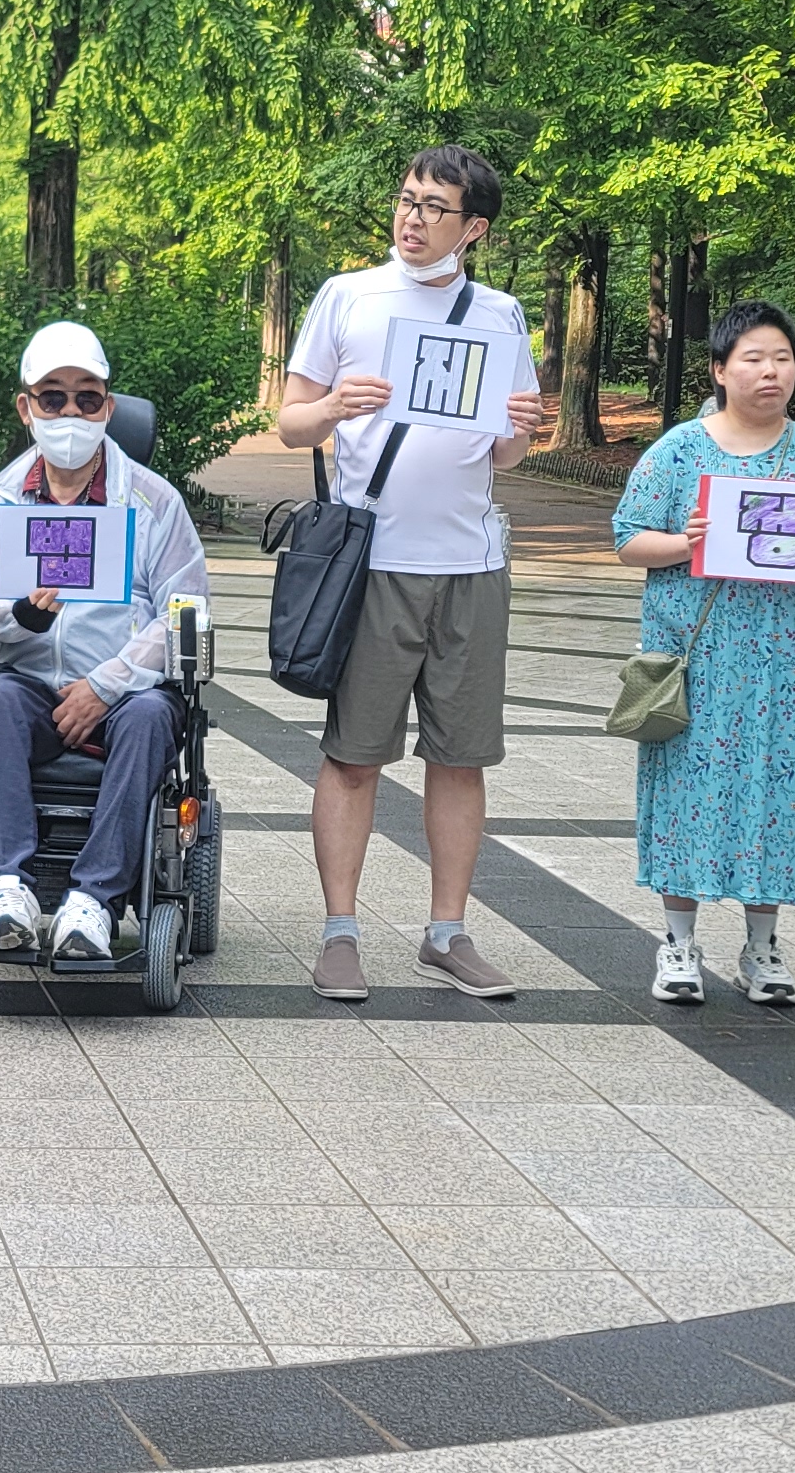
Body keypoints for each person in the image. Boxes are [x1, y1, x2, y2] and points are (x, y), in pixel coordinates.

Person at [272, 145, 549, 1002]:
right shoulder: (349, 295)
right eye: (406, 199)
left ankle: (447, 932)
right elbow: (290, 422)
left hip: (471, 564)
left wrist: (522, 426)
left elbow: (506, 451)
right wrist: (333, 406)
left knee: (460, 759)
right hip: (374, 564)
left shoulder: (500, 315)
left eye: (435, 207)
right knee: (354, 756)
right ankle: (340, 933)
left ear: (475, 228)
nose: (413, 218)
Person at [610, 300, 795, 1006]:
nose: (770, 372)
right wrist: (687, 542)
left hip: (789, 664)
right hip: (698, 661)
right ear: (720, 370)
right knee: (685, 790)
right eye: (753, 359)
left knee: (779, 790)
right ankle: (678, 943)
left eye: (782, 359)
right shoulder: (678, 451)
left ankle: (763, 947)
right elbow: (629, 538)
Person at [0, 323, 212, 962]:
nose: (70, 412)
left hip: (126, 694)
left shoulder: (152, 501)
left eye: (86, 398)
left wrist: (105, 685)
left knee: (150, 718)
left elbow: (185, 612)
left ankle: (94, 899)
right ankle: (4, 888)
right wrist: (21, 616)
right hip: (32, 685)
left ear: (108, 407)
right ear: (27, 408)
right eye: (53, 397)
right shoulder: (0, 498)